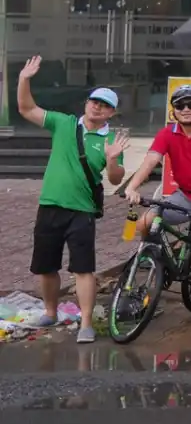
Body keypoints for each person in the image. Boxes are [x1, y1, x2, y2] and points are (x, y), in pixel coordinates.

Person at [17, 56, 128, 344]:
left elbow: (116, 179)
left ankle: (86, 324)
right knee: (45, 265)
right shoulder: (64, 123)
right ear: (87, 103)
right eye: (94, 101)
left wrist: (113, 159)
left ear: (111, 113)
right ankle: (51, 312)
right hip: (51, 204)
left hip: (82, 211)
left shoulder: (110, 141)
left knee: (83, 268)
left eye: (104, 105)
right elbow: (26, 108)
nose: (97, 107)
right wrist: (24, 78)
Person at [121, 83, 191, 331]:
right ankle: (158, 261)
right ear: (173, 110)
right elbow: (151, 160)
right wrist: (132, 187)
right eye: (180, 105)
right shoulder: (167, 133)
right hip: (184, 196)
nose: (186, 109)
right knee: (144, 223)